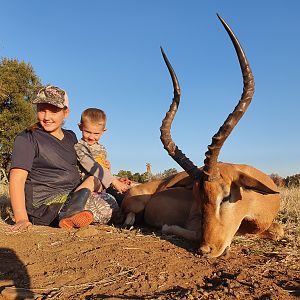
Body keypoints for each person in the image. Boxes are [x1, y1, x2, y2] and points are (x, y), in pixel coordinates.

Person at [9, 86, 101, 231]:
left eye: (53, 111)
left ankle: (73, 213)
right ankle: (70, 215)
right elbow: (17, 178)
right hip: (46, 208)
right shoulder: (27, 137)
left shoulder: (71, 136)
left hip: (72, 195)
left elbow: (79, 165)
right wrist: (21, 218)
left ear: (66, 113)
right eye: (42, 110)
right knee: (108, 206)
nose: (46, 117)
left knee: (101, 186)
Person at [75, 108, 130, 210]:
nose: (91, 137)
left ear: (103, 131)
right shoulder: (79, 147)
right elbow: (90, 165)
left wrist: (113, 175)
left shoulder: (102, 149)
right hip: (85, 184)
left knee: (127, 192)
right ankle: (71, 208)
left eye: (96, 134)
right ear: (80, 127)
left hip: (101, 188)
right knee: (93, 179)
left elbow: (102, 170)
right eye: (87, 132)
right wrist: (113, 180)